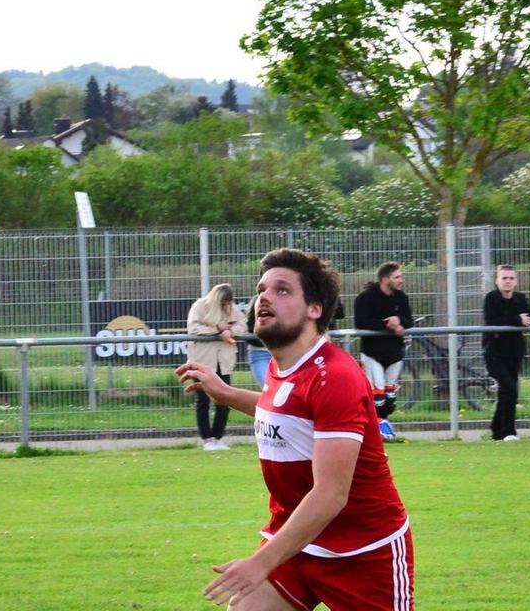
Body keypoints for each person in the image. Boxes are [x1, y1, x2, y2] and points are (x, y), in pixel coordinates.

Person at [176, 248, 414, 610]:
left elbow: (331, 494)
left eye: (282, 290)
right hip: (295, 541)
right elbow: (287, 410)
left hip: (362, 552)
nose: (264, 298)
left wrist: (260, 563)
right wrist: (225, 394)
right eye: (262, 289)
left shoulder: (334, 376)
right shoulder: (285, 363)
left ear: (314, 309)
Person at [353, 261, 413, 438]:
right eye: (397, 277)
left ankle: (382, 427)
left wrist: (399, 322)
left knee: (390, 397)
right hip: (373, 353)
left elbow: (409, 320)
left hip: (395, 353)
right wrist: (386, 324)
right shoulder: (365, 298)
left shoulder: (401, 298)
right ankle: (374, 432)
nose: (401, 280)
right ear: (385, 279)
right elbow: (361, 323)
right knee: (376, 396)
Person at [186, 283, 244, 451]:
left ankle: (218, 438)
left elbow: (243, 324)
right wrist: (217, 329)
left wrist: (230, 332)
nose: (226, 307)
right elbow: (194, 327)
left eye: (227, 304)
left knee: (224, 400)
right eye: (223, 303)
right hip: (202, 361)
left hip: (223, 362)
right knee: (202, 400)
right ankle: (207, 439)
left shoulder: (231, 309)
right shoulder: (199, 306)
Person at [483, 265, 530, 442]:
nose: (508, 281)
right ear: (497, 280)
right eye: (504, 278)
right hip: (494, 353)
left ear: (516, 281)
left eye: (511, 278)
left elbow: (528, 319)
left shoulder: (520, 299)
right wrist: (516, 320)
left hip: (515, 352)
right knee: (509, 388)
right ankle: (509, 431)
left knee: (508, 391)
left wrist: (515, 322)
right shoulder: (491, 298)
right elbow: (492, 321)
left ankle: (497, 430)